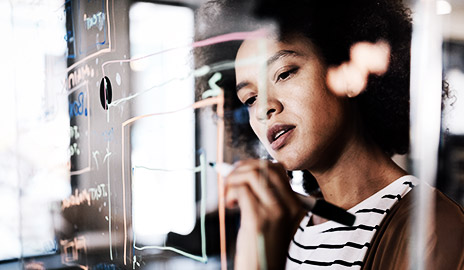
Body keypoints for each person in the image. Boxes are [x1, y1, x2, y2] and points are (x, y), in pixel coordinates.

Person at [195, 0, 464, 269]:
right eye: (250, 99)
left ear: (348, 73)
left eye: (285, 74)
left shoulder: (432, 226)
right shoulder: (284, 226)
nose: (264, 107)